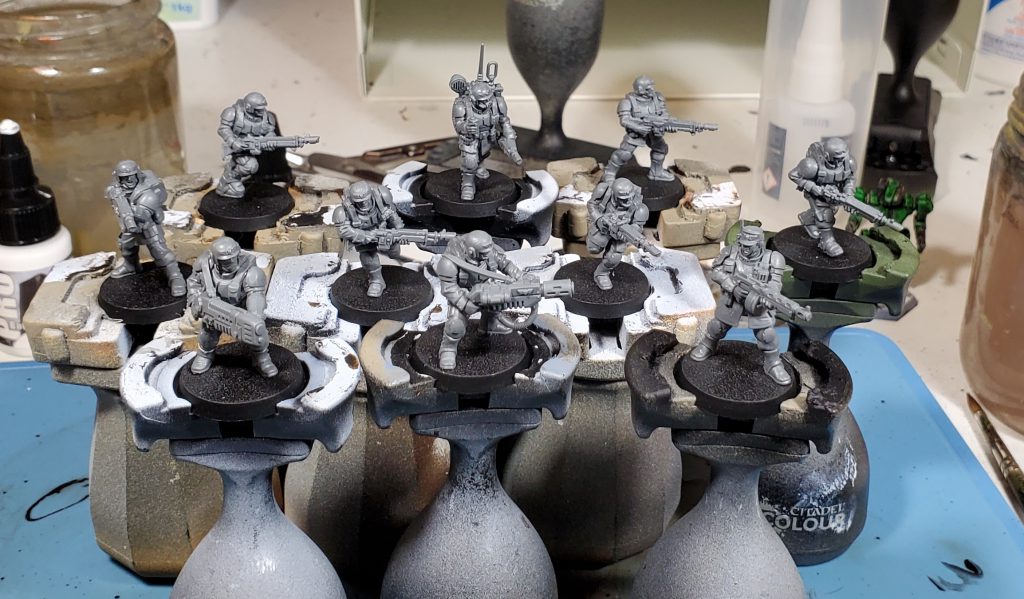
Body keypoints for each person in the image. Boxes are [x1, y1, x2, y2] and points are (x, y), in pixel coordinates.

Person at [690, 225, 791, 385]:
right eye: (743, 244)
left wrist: (769, 296)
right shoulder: (730, 252)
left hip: (757, 303)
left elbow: (775, 283)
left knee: (767, 335)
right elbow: (716, 271)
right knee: (717, 326)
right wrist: (732, 287)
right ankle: (708, 345)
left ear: (759, 244)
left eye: (749, 246)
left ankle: (773, 364)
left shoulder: (773, 259)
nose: (744, 248)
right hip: (732, 299)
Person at [187, 237, 276, 377]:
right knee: (208, 333)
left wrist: (255, 316)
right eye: (224, 261)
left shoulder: (251, 272)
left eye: (232, 259)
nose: (229, 263)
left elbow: (256, 296)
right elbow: (193, 283)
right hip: (214, 306)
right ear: (215, 259)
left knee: (256, 331)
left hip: (241, 308)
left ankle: (262, 358)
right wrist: (195, 300)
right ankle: (205, 354)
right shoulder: (204, 266)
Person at [106, 160, 185, 296]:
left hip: (148, 225)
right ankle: (131, 266)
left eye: (131, 176)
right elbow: (114, 200)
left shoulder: (148, 192)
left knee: (160, 252)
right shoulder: (117, 189)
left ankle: (175, 277)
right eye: (124, 178)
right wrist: (117, 199)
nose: (128, 180)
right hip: (129, 226)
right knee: (126, 246)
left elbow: (143, 215)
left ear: (137, 174)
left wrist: (128, 209)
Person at [334, 181, 404, 298]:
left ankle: (393, 246)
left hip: (385, 231)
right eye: (359, 202)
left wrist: (398, 232)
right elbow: (343, 230)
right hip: (364, 238)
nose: (364, 203)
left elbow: (393, 215)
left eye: (366, 199)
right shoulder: (344, 210)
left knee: (394, 254)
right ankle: (377, 282)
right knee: (369, 259)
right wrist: (365, 235)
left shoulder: (382, 198)